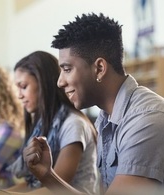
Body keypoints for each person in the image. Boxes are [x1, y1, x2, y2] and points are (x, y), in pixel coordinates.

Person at [23, 13, 164, 195]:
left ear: (99, 68)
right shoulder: (106, 119)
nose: (60, 82)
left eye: (67, 69)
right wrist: (48, 176)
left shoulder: (147, 121)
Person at [6, 51, 98, 195]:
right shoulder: (43, 124)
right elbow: (33, 185)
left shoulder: (73, 124)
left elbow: (56, 187)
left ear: (44, 84)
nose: (19, 95)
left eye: (23, 86)